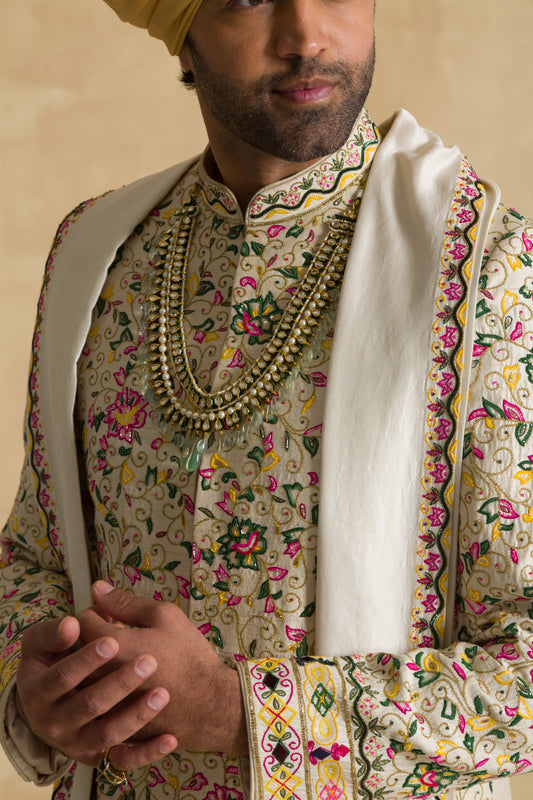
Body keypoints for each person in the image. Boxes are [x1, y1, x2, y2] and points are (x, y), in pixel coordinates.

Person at [1, 1, 532, 799]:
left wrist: (241, 714)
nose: (307, 37)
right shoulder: (98, 255)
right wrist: (35, 680)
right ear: (183, 30)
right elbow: (34, 559)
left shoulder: (487, 270)